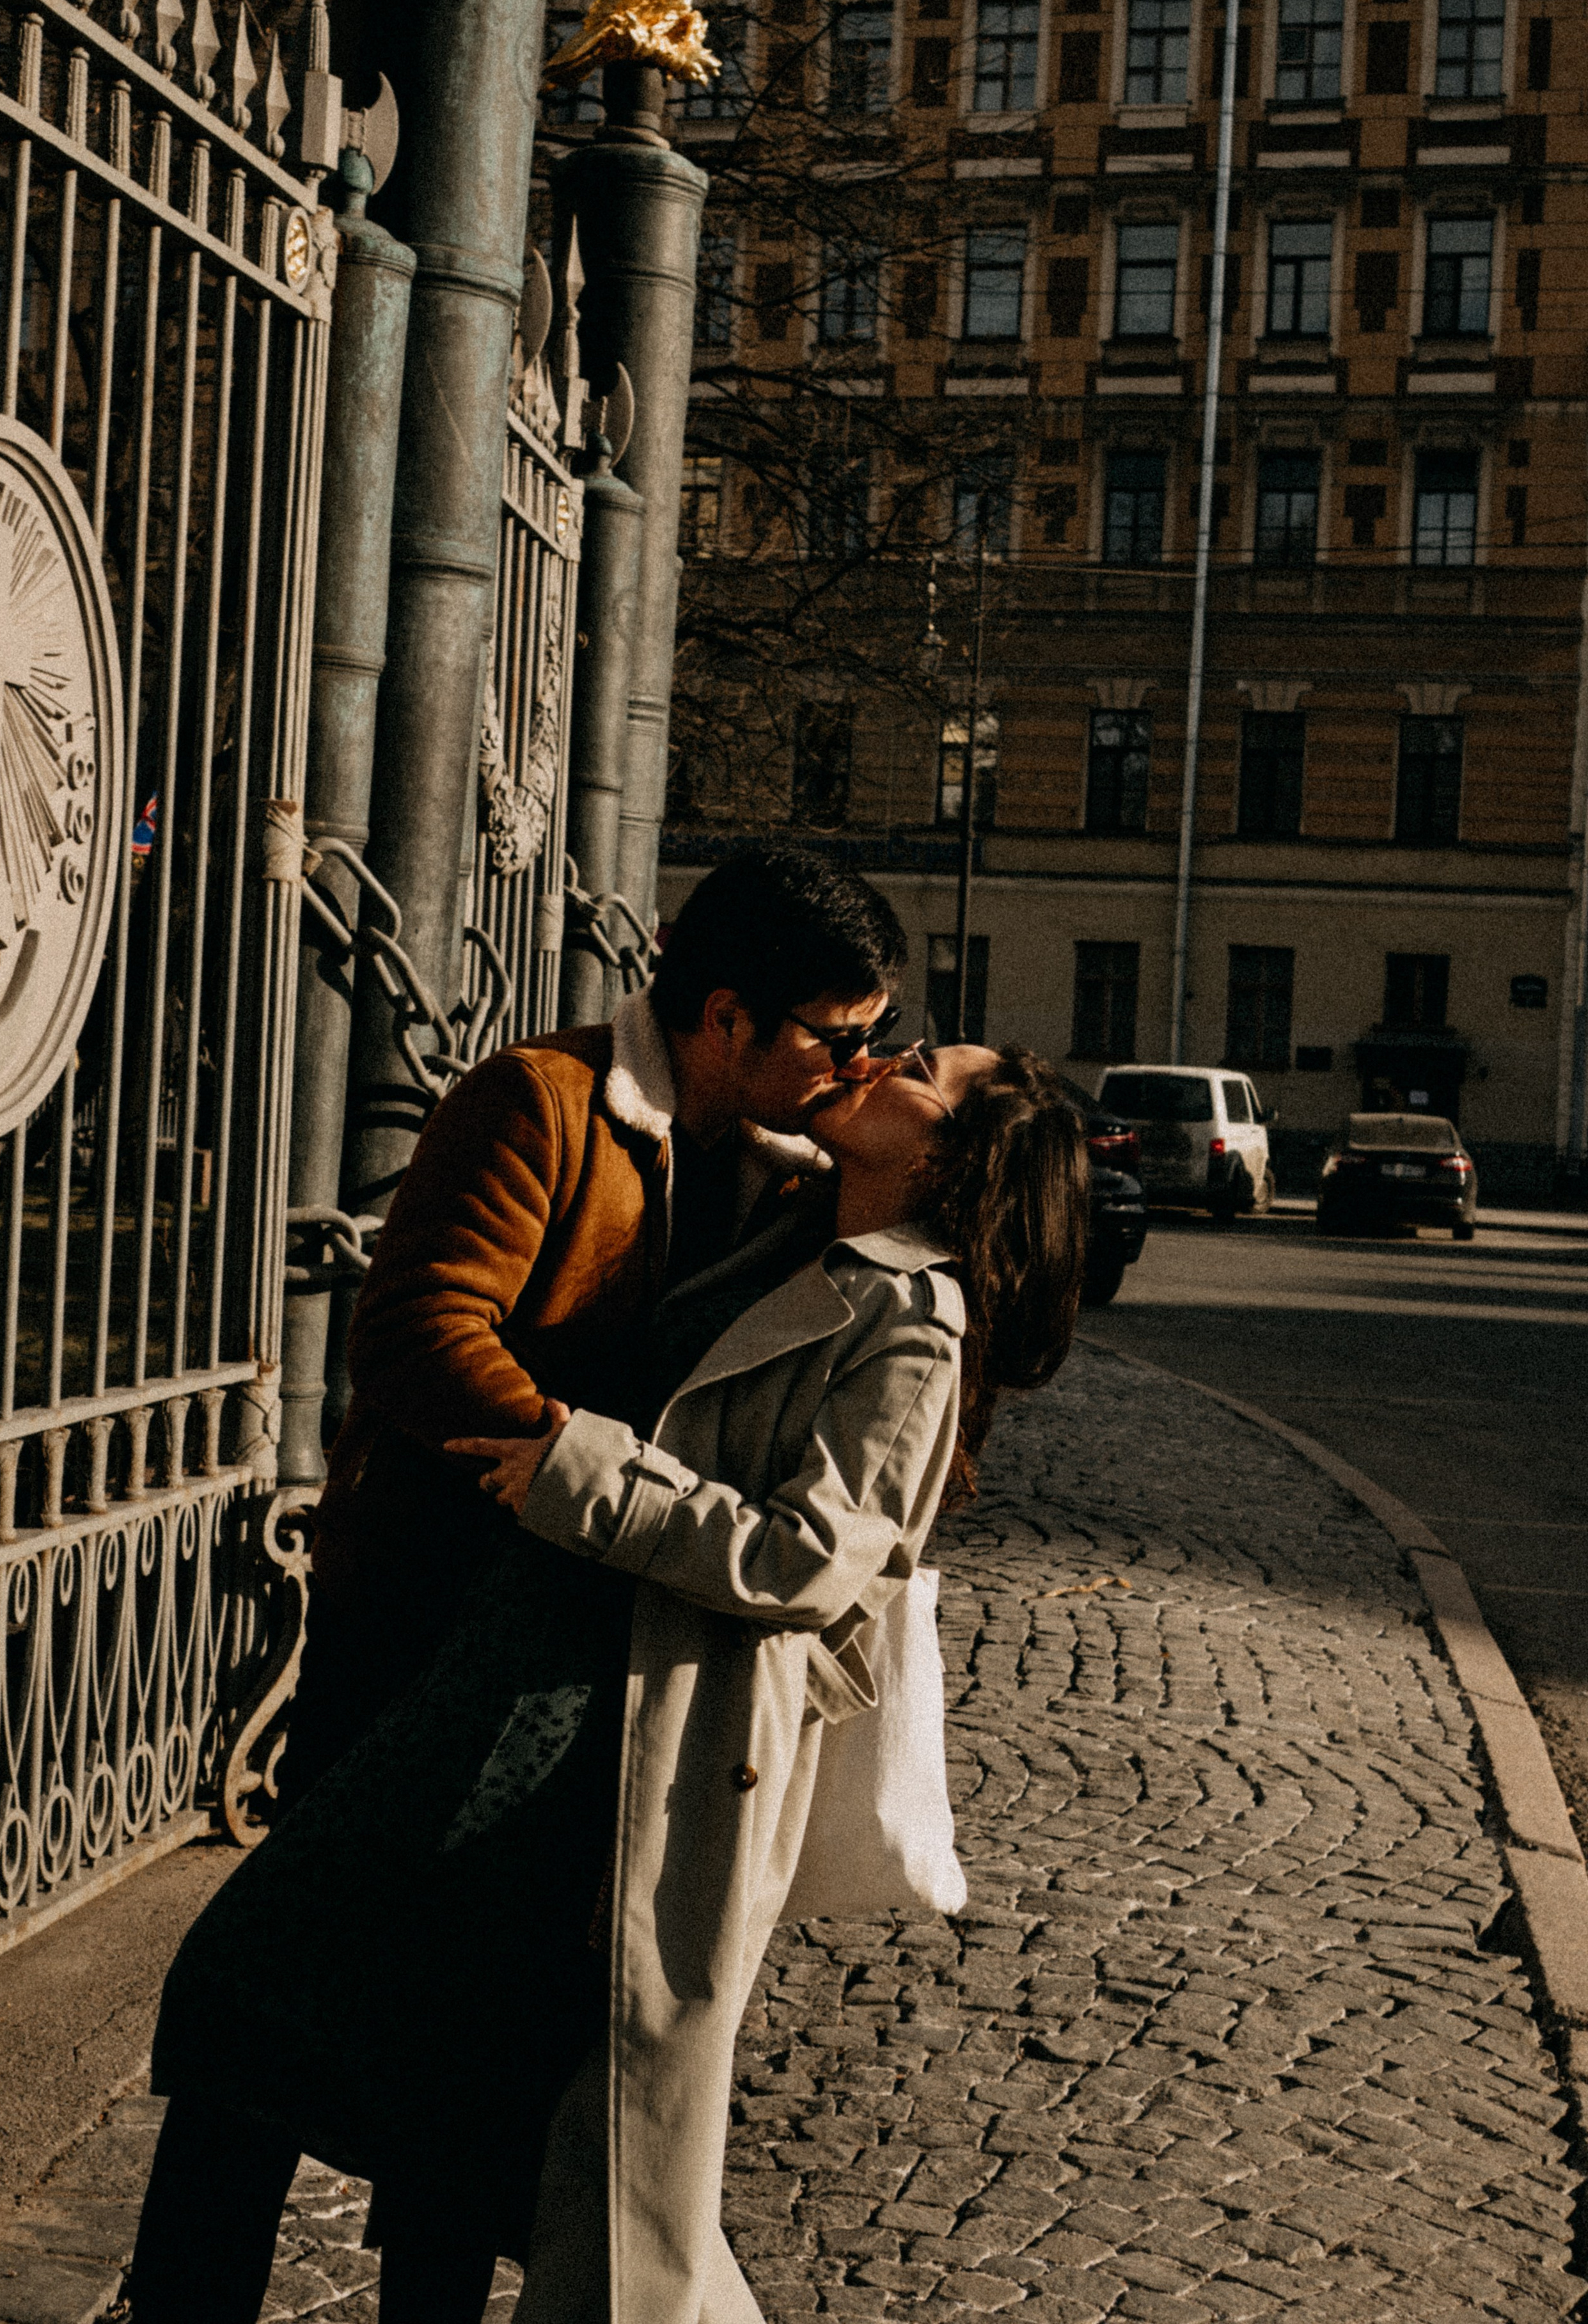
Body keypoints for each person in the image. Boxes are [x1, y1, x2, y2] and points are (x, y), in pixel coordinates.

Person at [125, 1038, 1088, 2323]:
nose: (879, 1053)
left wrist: (582, 1473)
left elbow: (810, 1562)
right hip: (522, 1677)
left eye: (919, 1064)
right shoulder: (788, 1231)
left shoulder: (913, 1323)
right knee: (352, 2036)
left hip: (614, 1735)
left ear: (948, 1150)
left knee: (280, 1992)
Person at [276, 847, 909, 1808]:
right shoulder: (540, 1098)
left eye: (878, 1031)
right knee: (338, 1932)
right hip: (433, 1599)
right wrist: (567, 1460)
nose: (859, 1062)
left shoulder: (792, 1171)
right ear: (728, 1018)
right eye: (836, 1034)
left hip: (612, 1622)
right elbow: (417, 1331)